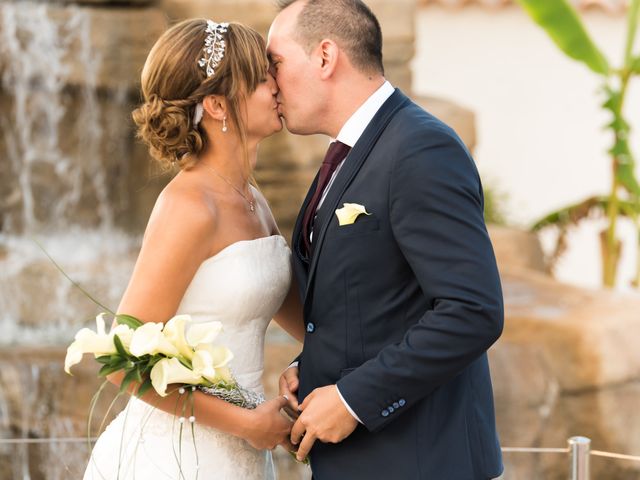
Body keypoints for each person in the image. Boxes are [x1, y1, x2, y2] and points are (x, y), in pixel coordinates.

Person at [269, 1, 504, 478]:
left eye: (276, 62)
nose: (270, 82)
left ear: (325, 57)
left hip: (418, 461)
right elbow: (376, 297)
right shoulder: (349, 152)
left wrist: (354, 399)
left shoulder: (420, 147)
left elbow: (472, 311)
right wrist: (312, 364)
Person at [83, 18, 305, 479]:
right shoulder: (190, 206)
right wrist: (246, 423)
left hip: (242, 453)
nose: (278, 86)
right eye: (264, 78)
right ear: (219, 104)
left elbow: (302, 318)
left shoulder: (252, 198)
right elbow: (121, 361)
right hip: (178, 458)